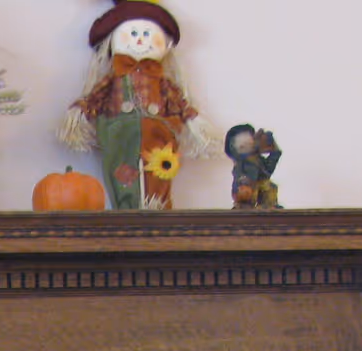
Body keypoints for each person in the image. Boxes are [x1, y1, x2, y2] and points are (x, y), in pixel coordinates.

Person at [57, 2, 212, 211]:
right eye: (133, 33)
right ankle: (127, 207)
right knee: (122, 169)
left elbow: (179, 103)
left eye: (148, 33)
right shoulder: (113, 79)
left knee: (157, 168)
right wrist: (79, 112)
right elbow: (94, 97)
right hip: (120, 133)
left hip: (157, 135)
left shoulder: (163, 83)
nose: (140, 39)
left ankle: (155, 204)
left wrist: (193, 120)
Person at [225, 124, 282, 210]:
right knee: (247, 191)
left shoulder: (257, 160)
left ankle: (268, 205)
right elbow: (249, 178)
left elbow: (268, 169)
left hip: (262, 199)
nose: (252, 139)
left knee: (269, 186)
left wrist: (274, 148)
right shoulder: (243, 162)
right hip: (246, 196)